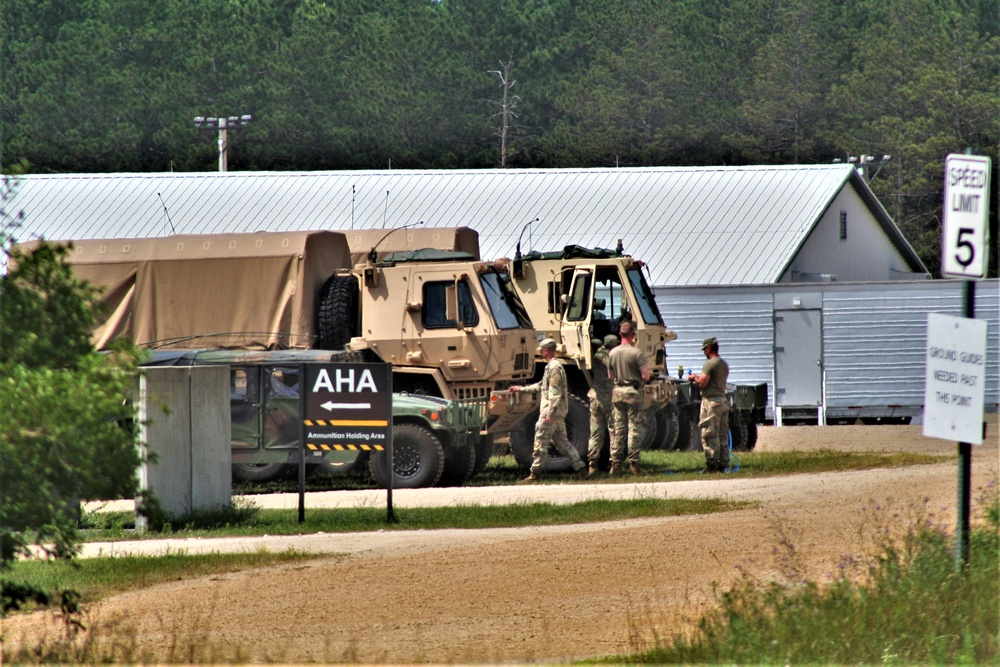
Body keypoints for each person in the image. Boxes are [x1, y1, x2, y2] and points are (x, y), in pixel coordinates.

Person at [509, 338, 589, 482]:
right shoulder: (551, 367)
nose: (539, 351)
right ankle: (581, 470)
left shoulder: (555, 368)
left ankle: (535, 473)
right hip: (554, 413)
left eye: (541, 349)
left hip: (550, 413)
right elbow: (542, 386)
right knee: (563, 443)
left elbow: (555, 393)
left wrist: (550, 414)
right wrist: (522, 389)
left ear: (546, 350)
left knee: (540, 440)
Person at [607, 320, 650, 475]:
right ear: (633, 335)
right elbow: (646, 376)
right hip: (633, 393)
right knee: (634, 429)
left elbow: (610, 376)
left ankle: (616, 465)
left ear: (620, 334)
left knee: (619, 430)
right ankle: (634, 465)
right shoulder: (636, 353)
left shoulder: (612, 353)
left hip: (617, 393)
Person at [691, 337, 730, 473]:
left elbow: (702, 382)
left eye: (705, 350)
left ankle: (712, 465)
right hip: (723, 400)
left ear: (708, 349)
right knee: (722, 434)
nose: (704, 352)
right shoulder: (724, 364)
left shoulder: (709, 364)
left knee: (709, 434)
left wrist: (694, 378)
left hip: (711, 402)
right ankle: (722, 464)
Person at [586, 334, 619, 476]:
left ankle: (592, 464)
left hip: (595, 398)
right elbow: (612, 367)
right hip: (608, 398)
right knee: (614, 431)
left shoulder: (596, 355)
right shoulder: (604, 356)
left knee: (595, 433)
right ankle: (614, 465)